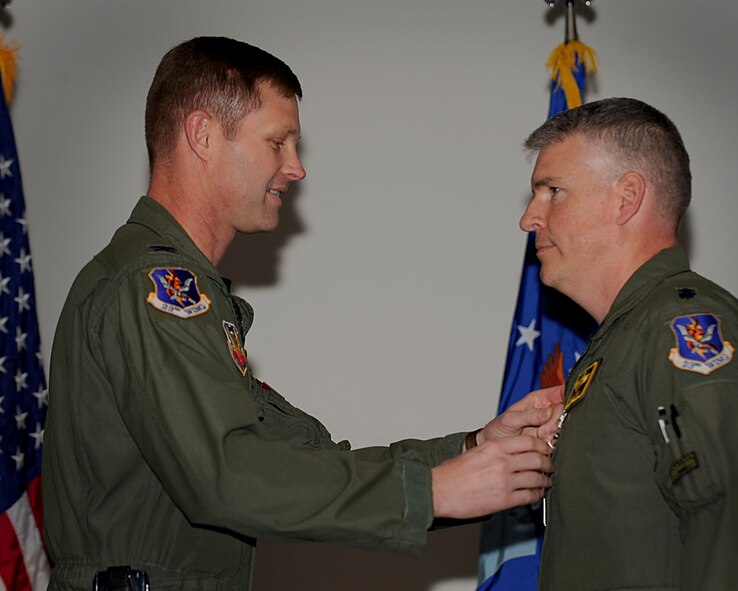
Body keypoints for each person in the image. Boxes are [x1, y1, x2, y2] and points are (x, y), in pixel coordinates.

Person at [42, 36, 563, 590]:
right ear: (203, 135)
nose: (295, 168)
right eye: (277, 142)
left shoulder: (174, 291)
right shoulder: (154, 289)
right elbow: (230, 475)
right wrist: (435, 492)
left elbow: (301, 460)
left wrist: (471, 451)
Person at [519, 97, 738, 589]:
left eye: (552, 191)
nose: (529, 219)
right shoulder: (620, 340)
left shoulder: (679, 326)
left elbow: (733, 534)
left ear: (627, 197)